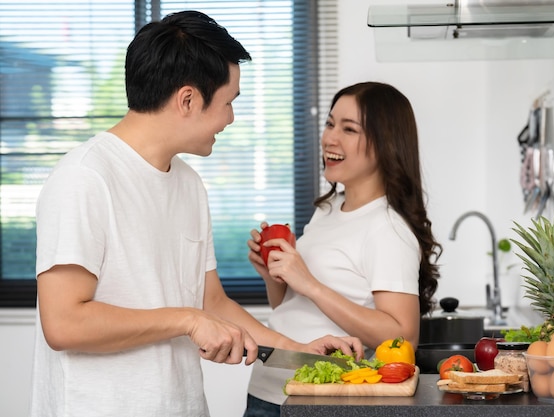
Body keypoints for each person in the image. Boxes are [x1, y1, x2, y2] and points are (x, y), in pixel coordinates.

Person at [30, 11, 362, 417]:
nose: (230, 118)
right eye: (228, 103)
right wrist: (187, 320)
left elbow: (211, 301)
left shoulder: (188, 184)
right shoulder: (84, 179)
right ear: (188, 99)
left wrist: (297, 349)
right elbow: (64, 324)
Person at [243, 81, 442, 416]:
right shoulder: (328, 210)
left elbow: (403, 337)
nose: (330, 138)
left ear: (385, 143)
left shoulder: (388, 229)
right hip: (269, 388)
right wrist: (274, 279)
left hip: (321, 400)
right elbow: (293, 309)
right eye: (330, 123)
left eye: (349, 129)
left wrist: (310, 284)